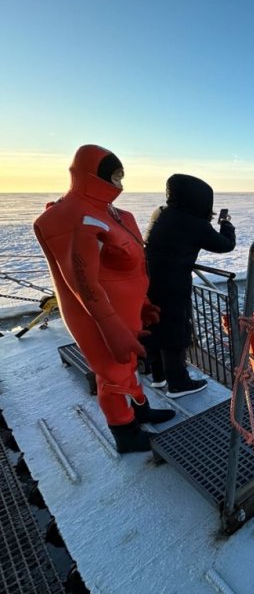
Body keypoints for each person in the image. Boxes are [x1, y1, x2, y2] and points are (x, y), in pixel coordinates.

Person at [33, 144, 175, 453]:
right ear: (89, 174)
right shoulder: (68, 216)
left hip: (127, 312)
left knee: (128, 366)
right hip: (99, 317)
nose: (119, 184)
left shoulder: (114, 214)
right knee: (112, 374)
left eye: (121, 176)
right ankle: (125, 432)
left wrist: (143, 303)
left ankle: (140, 409)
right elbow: (81, 283)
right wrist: (112, 328)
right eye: (113, 176)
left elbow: (132, 267)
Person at [144, 174, 236, 397]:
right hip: (173, 285)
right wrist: (226, 225)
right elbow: (225, 245)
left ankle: (158, 376)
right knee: (175, 331)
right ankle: (178, 384)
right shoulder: (194, 223)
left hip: (147, 280)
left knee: (154, 325)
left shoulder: (163, 214)